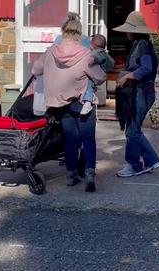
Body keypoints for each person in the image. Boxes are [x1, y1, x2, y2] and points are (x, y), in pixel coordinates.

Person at [32, 15, 105, 192]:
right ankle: (89, 174)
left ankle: (71, 174)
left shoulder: (51, 51)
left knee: (71, 139)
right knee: (88, 138)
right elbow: (100, 77)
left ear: (63, 31)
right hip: (81, 102)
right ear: (79, 34)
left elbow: (36, 69)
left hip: (60, 103)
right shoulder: (85, 54)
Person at [112, 11, 159, 177]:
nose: (126, 33)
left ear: (134, 31)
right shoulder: (140, 44)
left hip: (142, 92)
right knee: (133, 129)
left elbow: (146, 68)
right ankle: (151, 160)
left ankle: (133, 165)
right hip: (142, 92)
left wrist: (127, 76)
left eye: (128, 30)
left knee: (132, 130)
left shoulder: (142, 45)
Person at [81, 34, 112, 115]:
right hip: (100, 74)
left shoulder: (98, 53)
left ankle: (88, 102)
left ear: (92, 45)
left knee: (89, 84)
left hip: (97, 74)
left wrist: (90, 60)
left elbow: (96, 58)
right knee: (91, 86)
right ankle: (90, 97)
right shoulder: (104, 53)